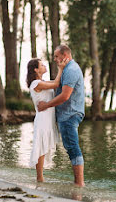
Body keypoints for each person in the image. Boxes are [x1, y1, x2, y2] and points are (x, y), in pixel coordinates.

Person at [37, 44, 85, 187]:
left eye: (57, 57)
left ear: (65, 56)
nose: (55, 59)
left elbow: (65, 96)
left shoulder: (71, 70)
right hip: (66, 114)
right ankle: (78, 182)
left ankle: (79, 183)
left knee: (72, 147)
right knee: (70, 146)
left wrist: (46, 105)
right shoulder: (66, 69)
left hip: (70, 114)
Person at [27, 58, 66, 182]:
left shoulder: (42, 81)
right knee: (41, 147)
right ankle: (40, 178)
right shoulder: (35, 83)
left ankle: (40, 177)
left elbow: (56, 82)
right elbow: (55, 84)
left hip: (48, 118)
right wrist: (60, 68)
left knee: (43, 147)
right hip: (43, 119)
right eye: (42, 65)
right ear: (36, 70)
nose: (44, 66)